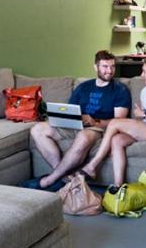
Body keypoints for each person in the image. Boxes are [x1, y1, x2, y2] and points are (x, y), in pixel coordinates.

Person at [30, 50, 131, 189]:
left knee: (83, 136)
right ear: (95, 67)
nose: (109, 71)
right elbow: (70, 110)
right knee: (37, 129)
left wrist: (94, 121)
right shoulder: (83, 87)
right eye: (105, 67)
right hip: (75, 124)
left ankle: (49, 180)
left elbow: (119, 121)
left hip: (97, 128)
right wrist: (66, 117)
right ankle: (63, 177)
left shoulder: (120, 90)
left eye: (112, 66)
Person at [81, 58, 146, 185]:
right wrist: (140, 117)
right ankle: (119, 187)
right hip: (145, 128)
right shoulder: (145, 91)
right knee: (116, 140)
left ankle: (92, 165)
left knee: (115, 122)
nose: (141, 75)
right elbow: (141, 118)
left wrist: (144, 114)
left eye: (144, 71)